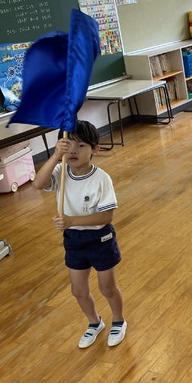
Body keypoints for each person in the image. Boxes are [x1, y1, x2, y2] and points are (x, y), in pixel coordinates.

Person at [32, 120, 127, 349]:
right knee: (78, 290)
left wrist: (72, 221)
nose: (73, 151)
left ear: (95, 149)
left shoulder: (101, 179)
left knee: (107, 287)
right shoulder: (61, 172)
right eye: (68, 145)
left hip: (100, 239)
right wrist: (56, 156)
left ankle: (118, 320)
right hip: (74, 240)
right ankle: (95, 322)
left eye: (81, 145)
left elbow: (106, 217)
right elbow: (37, 184)